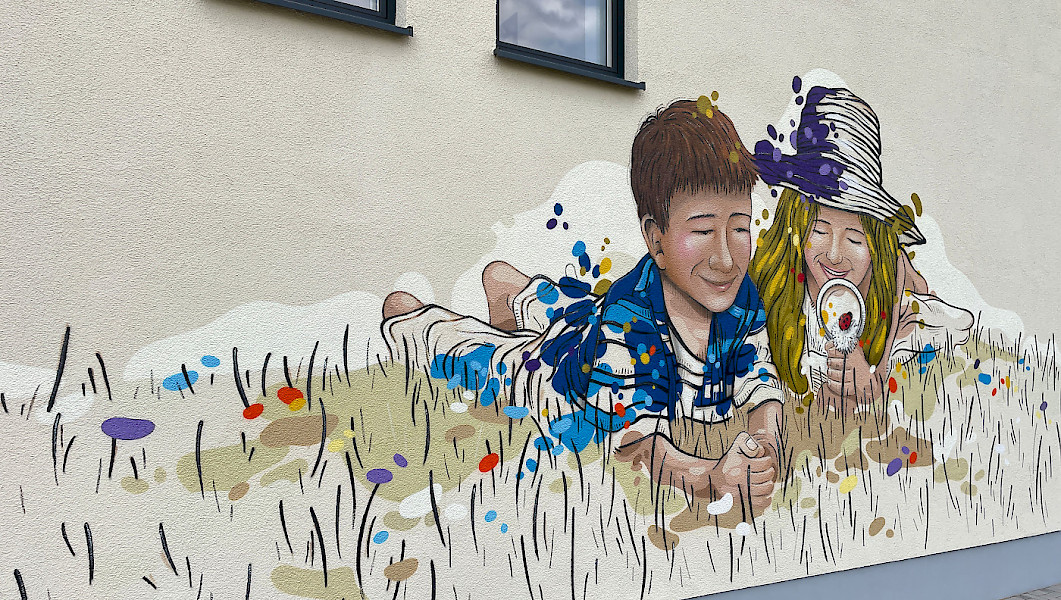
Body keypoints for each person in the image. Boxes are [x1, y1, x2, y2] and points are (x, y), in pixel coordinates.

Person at [382, 98, 784, 511]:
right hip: (558, 369)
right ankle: (414, 318)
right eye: (702, 231)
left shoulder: (740, 299)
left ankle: (514, 291)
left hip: (592, 319)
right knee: (491, 361)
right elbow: (636, 447)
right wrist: (710, 477)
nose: (726, 259)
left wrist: (764, 445)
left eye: (740, 227)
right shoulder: (630, 322)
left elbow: (760, 384)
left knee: (581, 311)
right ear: (656, 240)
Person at [749, 84, 974, 413]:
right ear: (795, 227)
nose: (834, 254)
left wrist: (874, 382)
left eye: (855, 239)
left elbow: (955, 328)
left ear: (876, 245)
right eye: (819, 231)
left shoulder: (895, 298)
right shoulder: (770, 292)